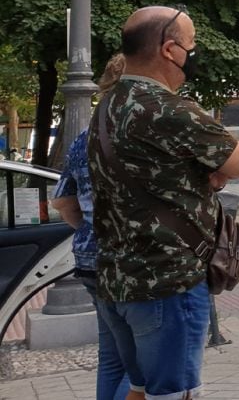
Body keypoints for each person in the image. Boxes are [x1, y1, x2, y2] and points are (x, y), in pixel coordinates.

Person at [88, 6, 239, 400]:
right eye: (192, 43)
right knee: (172, 392)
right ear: (170, 50)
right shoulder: (166, 108)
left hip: (117, 280)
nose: (194, 51)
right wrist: (214, 173)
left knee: (138, 388)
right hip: (168, 283)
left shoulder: (108, 106)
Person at [52, 53, 134, 400]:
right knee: (144, 366)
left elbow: (63, 203)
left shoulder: (82, 138)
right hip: (133, 264)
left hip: (88, 259)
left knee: (112, 357)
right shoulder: (145, 131)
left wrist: (88, 229)